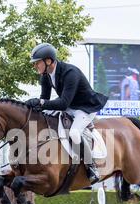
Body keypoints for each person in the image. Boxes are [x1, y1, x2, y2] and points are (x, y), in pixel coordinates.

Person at [25, 43, 108, 184]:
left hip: (86, 107)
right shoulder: (45, 76)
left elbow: (62, 103)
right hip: (69, 105)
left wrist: (41, 103)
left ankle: (91, 166)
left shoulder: (70, 73)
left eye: (37, 63)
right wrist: (35, 106)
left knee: (74, 133)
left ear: (48, 61)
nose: (35, 66)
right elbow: (45, 99)